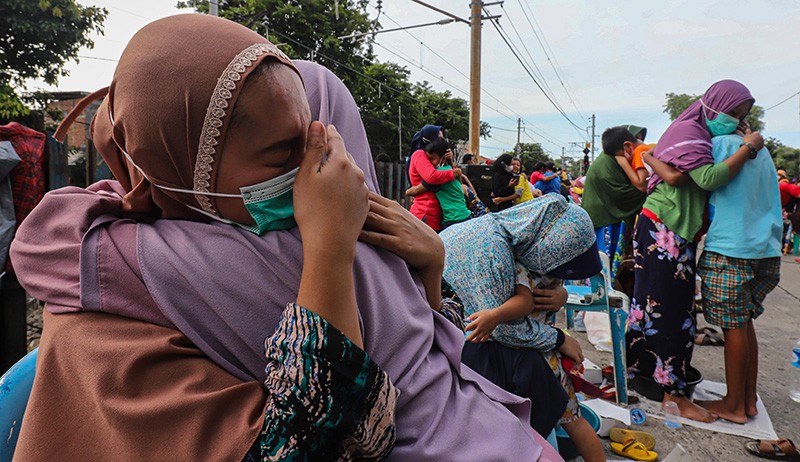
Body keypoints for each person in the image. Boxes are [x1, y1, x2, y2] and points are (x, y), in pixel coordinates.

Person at [11, 15, 561, 461]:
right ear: (179, 165)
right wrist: (327, 253)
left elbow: (423, 341)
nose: (319, 167)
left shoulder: (334, 220)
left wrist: (431, 264)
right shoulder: (117, 299)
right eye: (282, 153)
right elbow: (337, 442)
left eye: (317, 134)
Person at [627, 79, 764, 422]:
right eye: (732, 112)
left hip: (665, 226)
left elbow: (672, 172)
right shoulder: (689, 131)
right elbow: (706, 179)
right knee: (672, 312)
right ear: (713, 104)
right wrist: (748, 148)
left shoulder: (697, 133)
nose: (735, 120)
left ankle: (642, 374)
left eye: (741, 115)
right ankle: (673, 396)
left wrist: (652, 158)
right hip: (664, 228)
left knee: (653, 306)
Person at [441, 195, 606, 462]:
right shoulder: (503, 255)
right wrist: (558, 336)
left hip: (534, 358)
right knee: (571, 420)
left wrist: (559, 299)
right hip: (536, 357)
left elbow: (520, 309)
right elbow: (509, 324)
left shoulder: (524, 257)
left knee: (550, 425)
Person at [694, 125, 782, 424]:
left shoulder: (719, 144)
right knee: (744, 322)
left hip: (732, 246)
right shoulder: (761, 149)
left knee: (732, 326)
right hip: (766, 247)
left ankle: (733, 405)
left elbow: (705, 183)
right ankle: (748, 400)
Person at [581, 127, 648, 287]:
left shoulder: (611, 158)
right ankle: (602, 292)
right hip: (606, 219)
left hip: (602, 217)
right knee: (605, 263)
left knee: (604, 263)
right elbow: (625, 193)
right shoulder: (610, 163)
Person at [404, 139, 471, 229]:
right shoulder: (453, 172)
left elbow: (417, 189)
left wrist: (409, 191)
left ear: (442, 158)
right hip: (464, 215)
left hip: (451, 219)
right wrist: (454, 168)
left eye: (432, 159)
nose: (430, 162)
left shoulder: (440, 176)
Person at [407, 127, 459, 231]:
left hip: (436, 213)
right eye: (438, 138)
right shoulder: (420, 154)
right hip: (425, 212)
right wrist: (454, 173)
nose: (441, 141)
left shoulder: (435, 157)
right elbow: (432, 177)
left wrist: (449, 160)